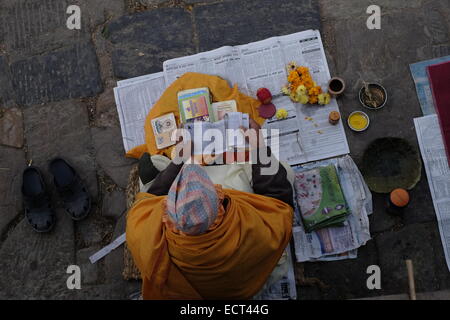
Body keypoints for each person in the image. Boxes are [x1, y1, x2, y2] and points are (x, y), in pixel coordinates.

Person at [126, 119, 294, 299]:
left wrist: (180, 159)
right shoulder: (256, 231)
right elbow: (278, 199)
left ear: (168, 207)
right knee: (284, 170)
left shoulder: (141, 229)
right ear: (219, 199)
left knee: (155, 165)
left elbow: (150, 198)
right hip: (242, 288)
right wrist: (258, 146)